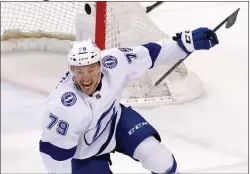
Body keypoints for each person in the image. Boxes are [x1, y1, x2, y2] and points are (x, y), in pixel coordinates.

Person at [39, 27, 219, 174]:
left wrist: (186, 44)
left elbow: (151, 54)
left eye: (90, 69)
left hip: (116, 121)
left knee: (160, 158)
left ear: (100, 65)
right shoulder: (63, 108)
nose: (85, 78)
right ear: (71, 70)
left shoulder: (114, 62)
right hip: (85, 153)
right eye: (79, 71)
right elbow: (54, 156)